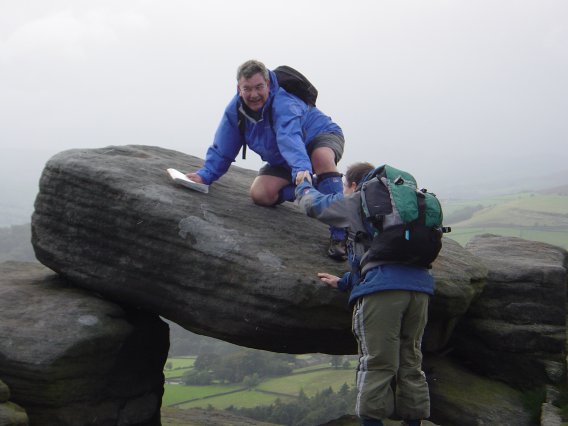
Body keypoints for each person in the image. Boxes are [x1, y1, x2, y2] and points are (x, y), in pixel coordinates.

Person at [294, 163, 433, 426]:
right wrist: (347, 281)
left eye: (344, 187)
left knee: (377, 363)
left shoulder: (359, 201)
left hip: (383, 295)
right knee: (411, 362)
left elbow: (315, 205)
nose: (343, 191)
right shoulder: (401, 205)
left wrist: (302, 184)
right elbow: (380, 252)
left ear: (354, 186)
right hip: (420, 291)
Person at [186, 59, 347, 260]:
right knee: (261, 194)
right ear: (239, 88)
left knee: (321, 157)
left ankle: (340, 234)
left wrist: (301, 168)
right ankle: (319, 189)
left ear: (268, 85)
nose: (253, 94)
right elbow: (223, 147)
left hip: (318, 137)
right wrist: (205, 176)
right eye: (247, 89)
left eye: (259, 87)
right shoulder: (235, 111)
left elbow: (288, 136)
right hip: (285, 159)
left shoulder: (284, 102)